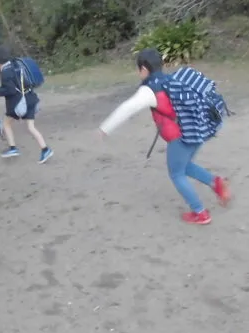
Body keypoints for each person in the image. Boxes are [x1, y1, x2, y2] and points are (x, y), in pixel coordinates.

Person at [98, 48, 231, 225]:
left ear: (144, 69)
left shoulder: (149, 90)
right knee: (185, 166)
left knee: (176, 174)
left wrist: (105, 128)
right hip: (197, 130)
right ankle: (217, 183)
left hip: (180, 137)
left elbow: (127, 108)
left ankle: (200, 212)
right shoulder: (171, 80)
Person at [0, 46, 53, 164]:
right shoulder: (16, 65)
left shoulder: (5, 72)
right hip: (31, 99)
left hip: (19, 103)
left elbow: (10, 90)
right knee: (31, 127)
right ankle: (45, 149)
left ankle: (13, 148)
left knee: (6, 123)